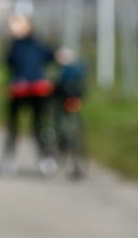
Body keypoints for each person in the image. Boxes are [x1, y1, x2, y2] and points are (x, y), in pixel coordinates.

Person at [2, 13, 56, 173]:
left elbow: (9, 62)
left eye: (17, 24)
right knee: (19, 126)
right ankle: (11, 158)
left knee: (35, 126)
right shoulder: (19, 44)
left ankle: (43, 158)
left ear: (28, 26)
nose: (13, 27)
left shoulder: (26, 44)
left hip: (30, 89)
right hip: (23, 89)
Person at [50, 46, 87, 179]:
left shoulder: (65, 72)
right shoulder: (79, 71)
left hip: (64, 108)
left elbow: (55, 89)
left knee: (65, 133)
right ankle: (74, 164)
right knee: (72, 133)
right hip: (74, 106)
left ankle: (67, 162)